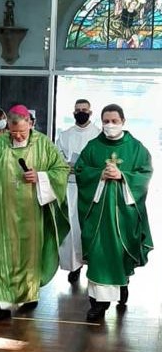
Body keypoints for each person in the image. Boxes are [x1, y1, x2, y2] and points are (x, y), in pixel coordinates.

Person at [0, 104, 70, 320]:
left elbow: (61, 170)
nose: (17, 136)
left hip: (31, 213)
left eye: (22, 132)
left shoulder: (43, 145)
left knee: (28, 256)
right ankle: (2, 304)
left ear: (31, 124)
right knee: (0, 256)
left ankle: (27, 297)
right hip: (3, 213)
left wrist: (41, 177)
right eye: (13, 132)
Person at [75, 104, 153, 321]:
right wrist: (99, 174)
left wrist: (123, 176)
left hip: (123, 215)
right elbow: (80, 171)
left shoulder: (136, 148)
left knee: (120, 255)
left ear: (123, 122)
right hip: (98, 216)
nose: (110, 125)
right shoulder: (92, 147)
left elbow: (145, 174)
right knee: (100, 256)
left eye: (114, 121)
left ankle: (122, 284)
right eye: (106, 121)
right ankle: (98, 304)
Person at [56, 99, 100, 284]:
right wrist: (65, 166)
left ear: (90, 112)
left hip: (91, 188)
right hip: (71, 187)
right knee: (73, 228)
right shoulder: (65, 135)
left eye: (84, 110)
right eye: (77, 110)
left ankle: (93, 265)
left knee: (89, 227)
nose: (80, 112)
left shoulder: (98, 135)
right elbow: (57, 156)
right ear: (73, 112)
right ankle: (75, 266)